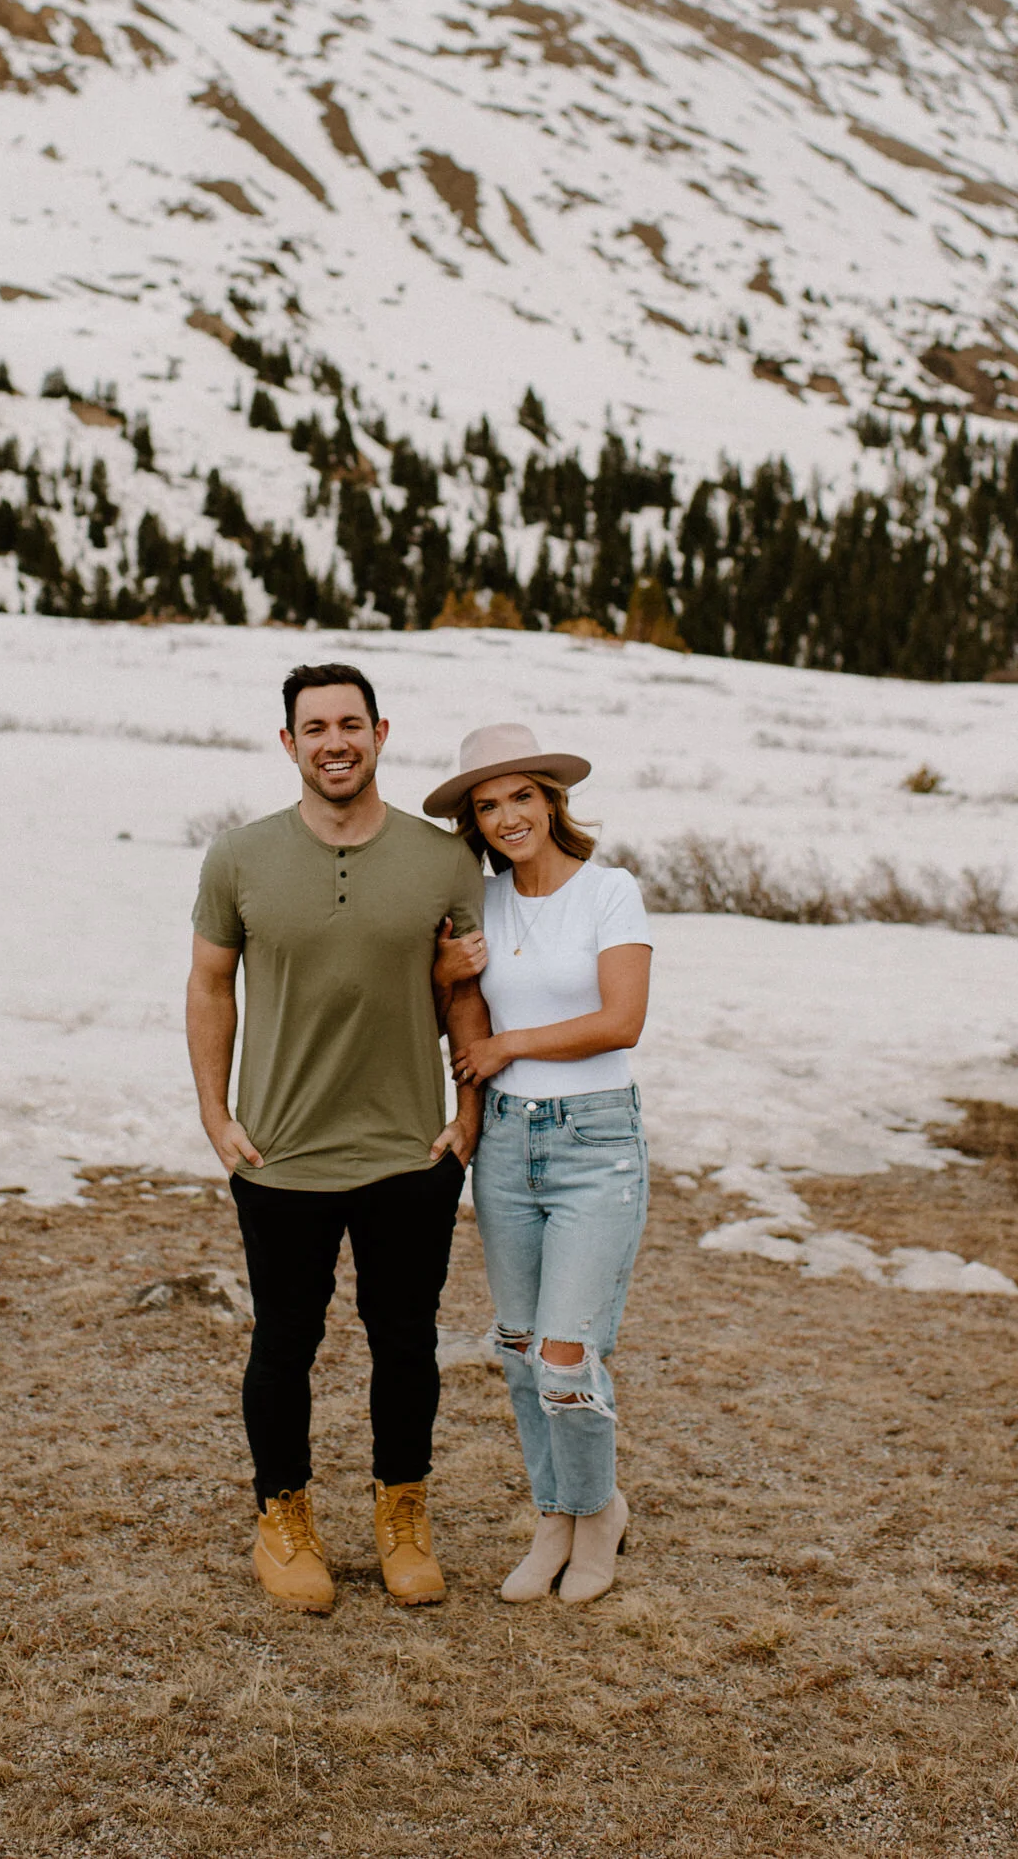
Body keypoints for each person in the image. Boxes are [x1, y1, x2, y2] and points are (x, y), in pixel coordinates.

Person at [186, 663, 489, 1615]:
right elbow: (210, 986)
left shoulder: (443, 860)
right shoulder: (238, 857)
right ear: (289, 744)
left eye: (350, 724)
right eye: (314, 728)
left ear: (380, 733)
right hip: (282, 1154)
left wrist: (468, 1111)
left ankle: (404, 1513)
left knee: (406, 1342)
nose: (335, 743)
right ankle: (282, 1517)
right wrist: (215, 1115)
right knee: (285, 1340)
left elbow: (464, 991)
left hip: (409, 1151)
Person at [426, 722, 652, 1606]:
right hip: (507, 1143)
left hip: (596, 1142)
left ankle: (598, 1514)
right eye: (488, 806)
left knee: (566, 1356)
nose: (508, 816)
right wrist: (445, 978)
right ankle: (554, 1514)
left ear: (552, 802)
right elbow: (459, 1010)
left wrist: (510, 1045)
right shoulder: (481, 901)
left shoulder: (609, 891)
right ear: (475, 823)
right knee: (520, 1352)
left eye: (522, 796)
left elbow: (621, 1020)